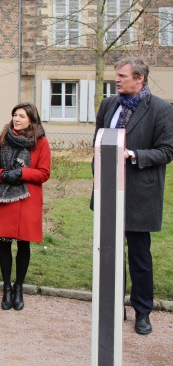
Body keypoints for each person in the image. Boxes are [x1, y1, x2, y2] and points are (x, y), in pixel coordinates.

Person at [93, 57, 173, 335]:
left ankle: (142, 312)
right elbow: (98, 143)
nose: (117, 80)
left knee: (139, 257)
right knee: (110, 255)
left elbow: (167, 151)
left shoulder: (161, 109)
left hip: (140, 196)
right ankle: (113, 307)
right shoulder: (108, 104)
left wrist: (134, 154)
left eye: (122, 76)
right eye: (116, 75)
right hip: (107, 193)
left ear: (140, 78)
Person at [0, 102, 50, 311]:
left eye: (21, 116)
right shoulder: (3, 139)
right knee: (4, 243)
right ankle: (6, 288)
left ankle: (19, 287)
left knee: (24, 244)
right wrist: (4, 175)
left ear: (31, 119)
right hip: (4, 197)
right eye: (15, 115)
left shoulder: (40, 142)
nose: (17, 119)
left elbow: (44, 173)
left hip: (27, 199)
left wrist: (22, 173)